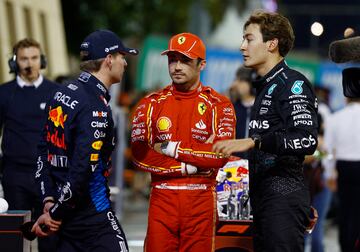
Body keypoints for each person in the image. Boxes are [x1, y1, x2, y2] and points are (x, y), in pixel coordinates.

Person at [212, 10, 318, 252]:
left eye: (249, 39)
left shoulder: (293, 84)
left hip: (283, 198)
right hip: (262, 199)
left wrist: (254, 142)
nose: (242, 46)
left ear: (272, 44)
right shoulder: (265, 86)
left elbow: (307, 140)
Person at [32, 29, 138, 252]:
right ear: (109, 60)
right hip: (91, 217)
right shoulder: (95, 106)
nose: (125, 63)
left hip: (60, 214)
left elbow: (43, 149)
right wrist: (55, 212)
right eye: (122, 57)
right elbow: (83, 169)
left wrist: (49, 200)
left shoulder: (62, 92)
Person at [130, 32, 236, 252]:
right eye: (172, 60)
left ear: (202, 64)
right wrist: (190, 164)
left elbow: (220, 156)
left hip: (201, 200)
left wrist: (169, 148)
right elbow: (140, 154)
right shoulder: (150, 104)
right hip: (162, 198)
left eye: (185, 60)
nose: (177, 67)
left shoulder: (219, 104)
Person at [0, 38, 59, 252]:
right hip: (15, 175)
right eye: (24, 59)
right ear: (15, 62)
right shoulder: (4, 93)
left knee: (50, 237)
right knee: (15, 236)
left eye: (34, 58)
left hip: (49, 176)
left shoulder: (56, 92)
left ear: (41, 60)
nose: (29, 63)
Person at [324, 97, 360, 252]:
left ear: (346, 97)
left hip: (344, 168)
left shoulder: (335, 117)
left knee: (345, 212)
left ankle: (346, 247)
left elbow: (328, 150)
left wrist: (329, 173)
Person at [229, 66, 255, 158]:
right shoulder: (231, 108)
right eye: (236, 80)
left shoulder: (263, 109)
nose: (235, 84)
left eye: (240, 80)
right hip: (235, 163)